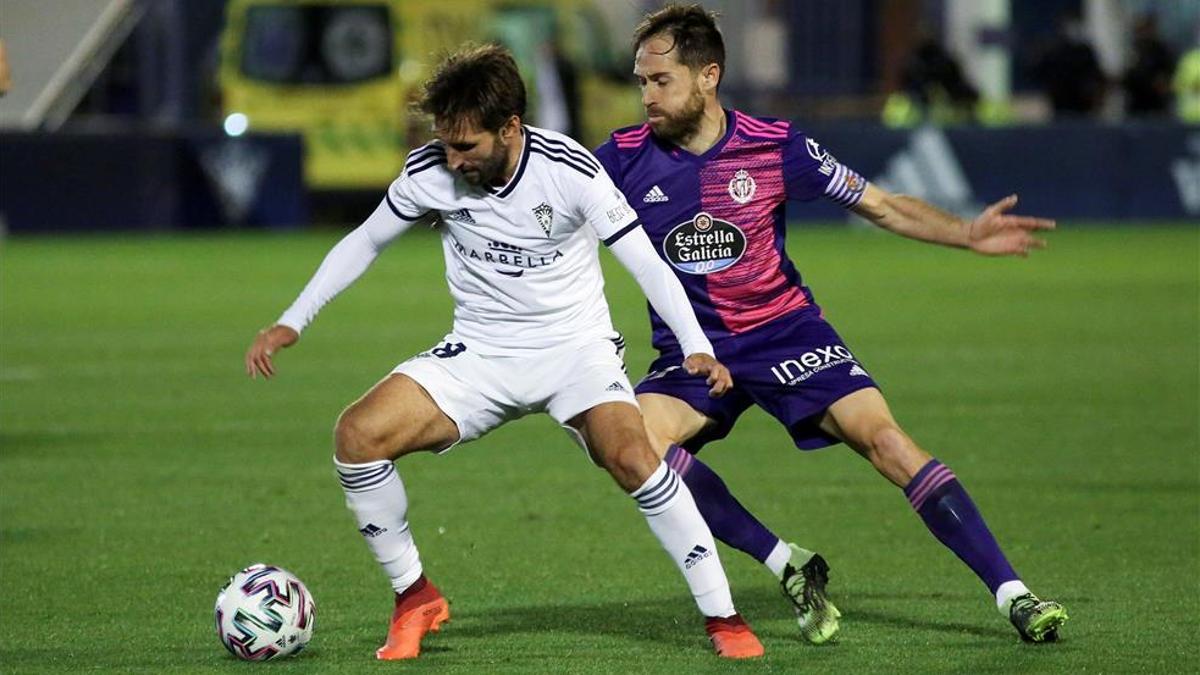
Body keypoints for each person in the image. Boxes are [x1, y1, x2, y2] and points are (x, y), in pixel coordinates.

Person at [244, 44, 766, 660]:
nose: (453, 159)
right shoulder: (429, 172)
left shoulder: (570, 170)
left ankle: (722, 616)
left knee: (633, 457)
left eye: (466, 146)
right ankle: (414, 595)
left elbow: (646, 264)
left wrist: (698, 346)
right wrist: (292, 321)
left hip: (576, 352)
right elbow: (363, 243)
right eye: (445, 144)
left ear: (511, 127)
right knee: (357, 437)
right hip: (481, 355)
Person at [593, 4, 1068, 644]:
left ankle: (1014, 595)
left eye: (660, 81)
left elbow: (880, 204)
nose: (646, 95)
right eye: (641, 81)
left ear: (708, 76)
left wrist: (965, 233)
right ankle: (785, 561)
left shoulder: (775, 144)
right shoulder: (619, 158)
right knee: (635, 446)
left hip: (787, 333)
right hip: (694, 352)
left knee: (889, 444)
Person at [1123, 14, 1177, 117]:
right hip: (1135, 106)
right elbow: (1128, 76)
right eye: (1139, 31)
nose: (1143, 34)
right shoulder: (1134, 50)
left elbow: (1168, 79)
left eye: (1145, 30)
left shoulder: (1161, 52)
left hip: (1156, 107)